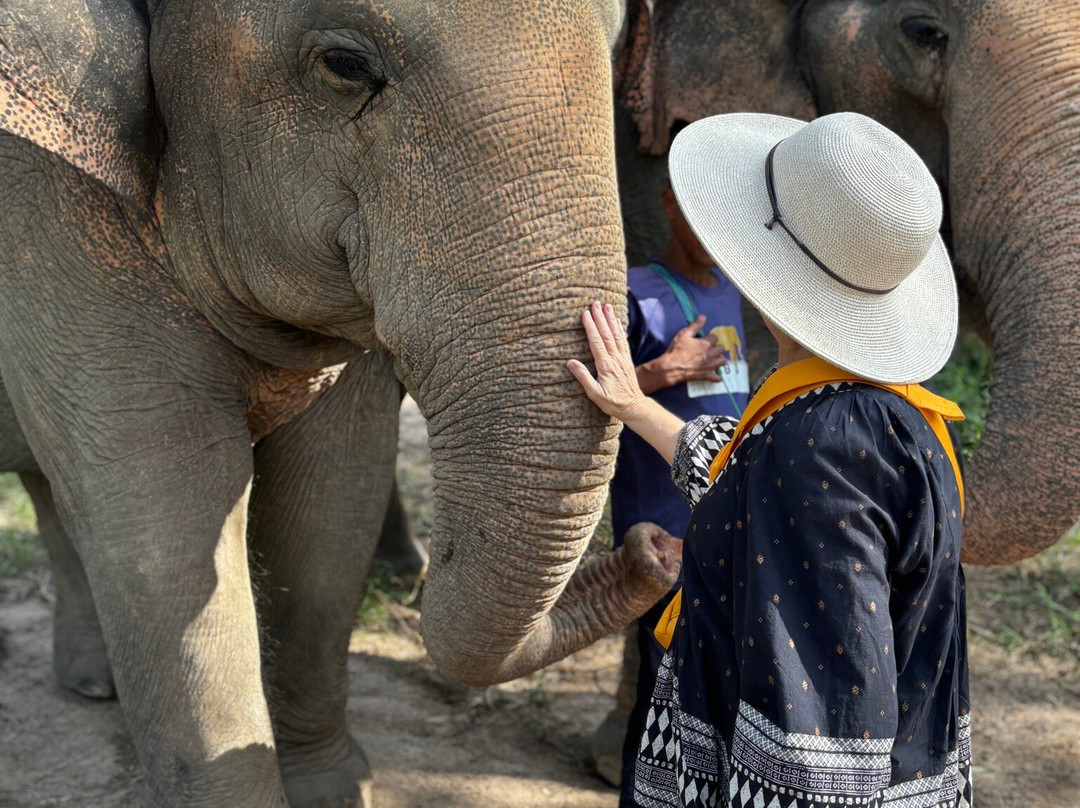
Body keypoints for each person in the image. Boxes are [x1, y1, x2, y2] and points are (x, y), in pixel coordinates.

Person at [568, 112, 971, 808]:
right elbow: (743, 477)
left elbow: (817, 747)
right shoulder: (888, 416)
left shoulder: (820, 447)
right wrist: (635, 405)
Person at [603, 183, 751, 806]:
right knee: (659, 696)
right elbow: (591, 395)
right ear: (668, 202)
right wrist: (662, 371)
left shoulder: (731, 290)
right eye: (700, 214)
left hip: (725, 531)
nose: (715, 232)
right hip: (662, 539)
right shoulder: (634, 293)